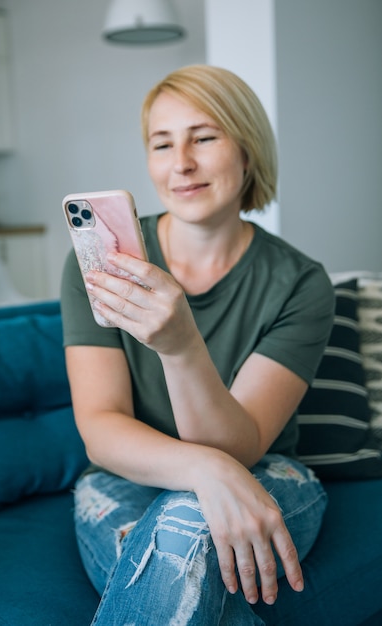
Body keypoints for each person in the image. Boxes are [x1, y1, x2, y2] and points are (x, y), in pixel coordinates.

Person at [60, 64, 335, 625]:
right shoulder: (99, 265)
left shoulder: (302, 284)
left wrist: (180, 345)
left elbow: (242, 447)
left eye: (204, 137)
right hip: (130, 473)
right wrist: (204, 470)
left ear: (247, 150)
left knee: (182, 535)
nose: (180, 163)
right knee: (188, 543)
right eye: (162, 144)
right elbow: (101, 427)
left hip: (263, 467)